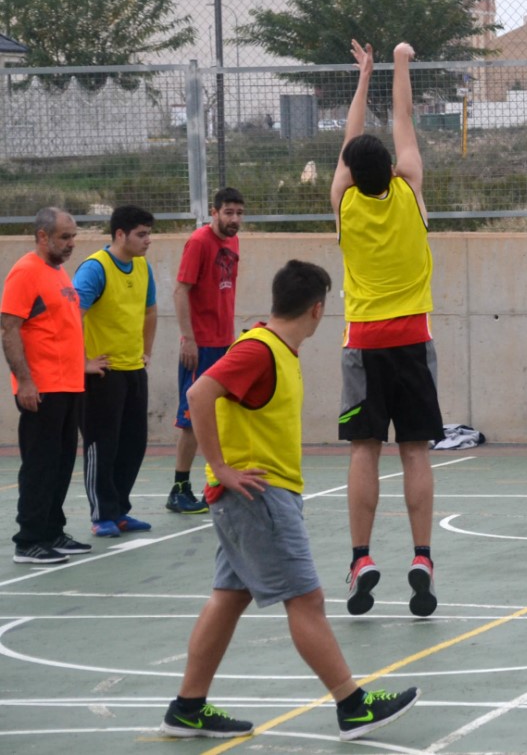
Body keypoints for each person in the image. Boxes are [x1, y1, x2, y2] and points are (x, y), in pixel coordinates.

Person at [159, 260, 420, 740]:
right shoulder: (259, 350)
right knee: (307, 600)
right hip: (258, 496)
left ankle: (187, 707)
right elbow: (199, 394)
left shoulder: (275, 348)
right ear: (317, 309)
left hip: (254, 496)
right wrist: (221, 467)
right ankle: (352, 704)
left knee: (229, 598)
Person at [332, 39, 443, 617]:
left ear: (350, 172)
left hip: (364, 342)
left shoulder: (344, 204)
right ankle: (422, 556)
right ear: (393, 169)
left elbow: (351, 141)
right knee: (415, 451)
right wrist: (401, 62)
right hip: (413, 338)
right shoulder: (411, 189)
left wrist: (363, 76)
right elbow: (402, 117)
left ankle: (361, 558)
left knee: (364, 450)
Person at [5, 208, 108, 564]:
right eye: (65, 237)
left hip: (69, 385)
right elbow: (9, 329)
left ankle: (51, 531)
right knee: (40, 464)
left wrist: (82, 365)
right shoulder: (25, 272)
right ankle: (28, 540)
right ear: (42, 236)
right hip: (42, 388)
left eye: (73, 236)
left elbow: (63, 328)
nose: (71, 243)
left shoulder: (58, 271)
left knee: (62, 463)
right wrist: (25, 382)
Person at [74, 204, 157, 538]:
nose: (148, 240)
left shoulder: (142, 266)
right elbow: (71, 315)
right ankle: (102, 514)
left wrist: (146, 352)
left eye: (149, 234)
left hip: (134, 369)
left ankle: (120, 509)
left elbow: (150, 311)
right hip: (103, 374)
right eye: (141, 234)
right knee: (102, 445)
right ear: (120, 234)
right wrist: (82, 361)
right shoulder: (95, 268)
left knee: (133, 444)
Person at [168, 188, 245, 515]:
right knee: (191, 418)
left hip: (224, 342)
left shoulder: (234, 241)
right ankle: (179, 488)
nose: (235, 219)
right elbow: (180, 290)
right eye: (228, 212)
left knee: (219, 415)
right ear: (214, 212)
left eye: (239, 213)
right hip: (201, 345)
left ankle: (217, 478)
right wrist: (189, 338)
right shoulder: (199, 242)